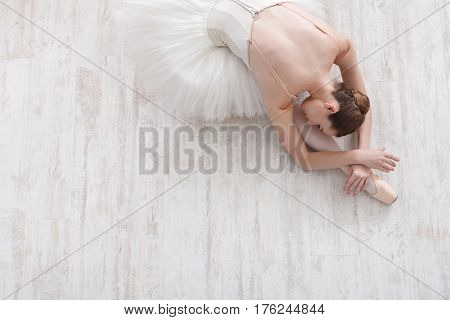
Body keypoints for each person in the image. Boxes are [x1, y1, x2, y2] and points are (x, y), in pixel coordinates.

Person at [116, 0, 400, 204]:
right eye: (321, 126)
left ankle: (362, 177)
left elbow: (363, 102)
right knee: (296, 116)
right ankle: (354, 175)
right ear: (330, 107)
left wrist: (364, 158)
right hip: (212, 15)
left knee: (297, 111)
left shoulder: (339, 43)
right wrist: (356, 157)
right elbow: (302, 159)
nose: (314, 125)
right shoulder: (282, 90)